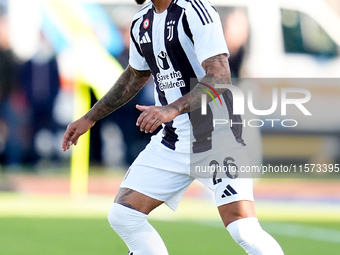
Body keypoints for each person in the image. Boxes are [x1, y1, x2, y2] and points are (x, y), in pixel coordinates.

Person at [62, 0, 284, 254]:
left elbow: (220, 76)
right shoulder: (141, 21)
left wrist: (172, 108)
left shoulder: (196, 10)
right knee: (123, 216)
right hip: (172, 140)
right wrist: (90, 117)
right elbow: (135, 74)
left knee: (243, 229)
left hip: (217, 139)